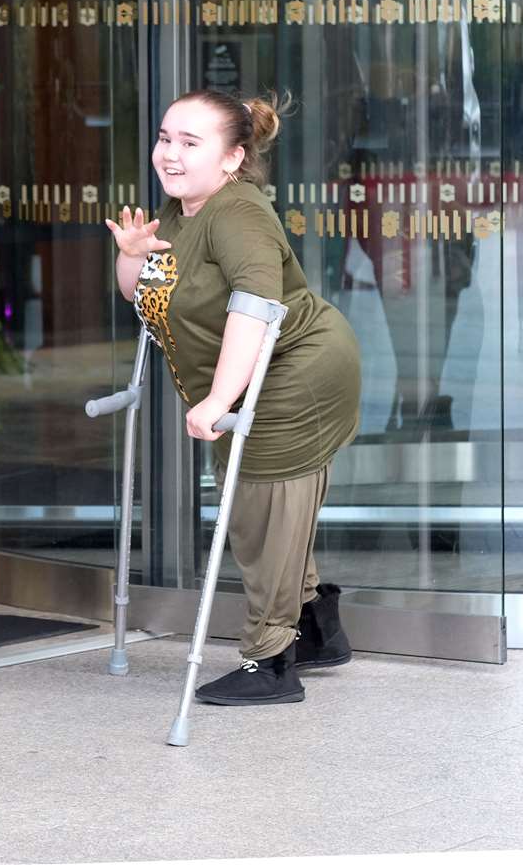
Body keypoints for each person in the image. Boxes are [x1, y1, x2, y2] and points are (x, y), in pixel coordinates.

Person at [105, 90, 362, 706]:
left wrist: (219, 398)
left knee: (258, 517)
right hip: (258, 376)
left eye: (190, 143)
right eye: (166, 137)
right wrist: (131, 257)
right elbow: (145, 300)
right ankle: (315, 630)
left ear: (232, 158)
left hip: (297, 373)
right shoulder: (176, 214)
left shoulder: (237, 213)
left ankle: (270, 661)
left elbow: (257, 306)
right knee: (267, 512)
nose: (169, 153)